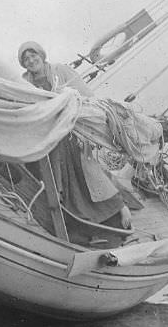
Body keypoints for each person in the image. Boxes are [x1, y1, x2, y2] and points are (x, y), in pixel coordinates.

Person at [18, 41, 132, 232]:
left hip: (70, 130)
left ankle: (119, 209)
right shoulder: (24, 80)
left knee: (86, 173)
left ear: (41, 54)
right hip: (44, 133)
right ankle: (56, 205)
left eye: (33, 55)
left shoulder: (59, 71)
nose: (31, 61)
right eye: (26, 59)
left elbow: (86, 95)